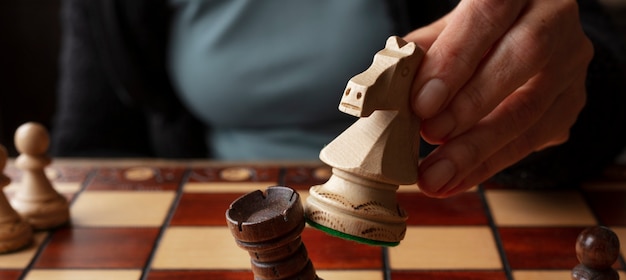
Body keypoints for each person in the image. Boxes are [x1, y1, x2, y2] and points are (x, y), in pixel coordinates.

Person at [51, 0, 626, 197]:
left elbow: (591, 57)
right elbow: (92, 149)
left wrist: (556, 97)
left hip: (455, 201)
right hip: (221, 215)